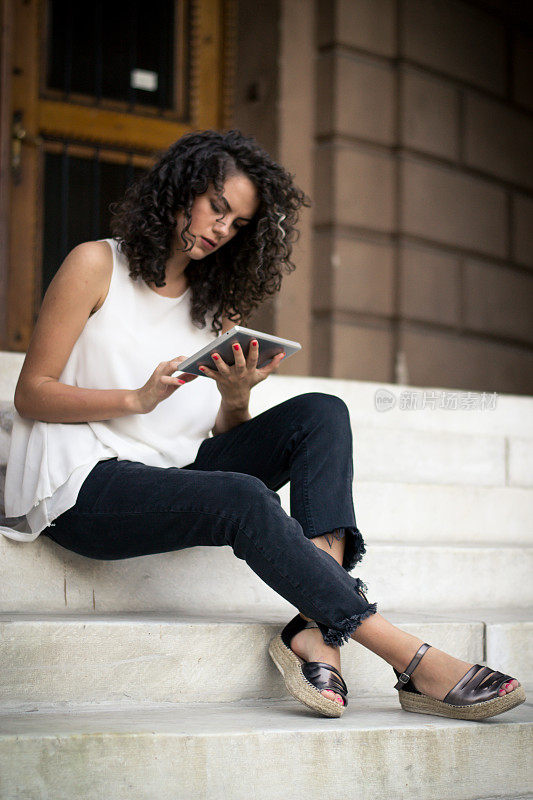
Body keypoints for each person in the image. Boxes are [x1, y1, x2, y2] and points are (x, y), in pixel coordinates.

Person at [3, 129, 524, 719]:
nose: (222, 229)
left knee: (321, 413)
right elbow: (32, 394)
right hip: (82, 487)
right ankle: (410, 657)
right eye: (217, 208)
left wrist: (235, 398)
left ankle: (313, 628)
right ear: (181, 189)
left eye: (238, 223)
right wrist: (137, 397)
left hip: (167, 473)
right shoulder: (96, 263)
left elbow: (216, 442)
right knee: (244, 498)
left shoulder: (212, 305)